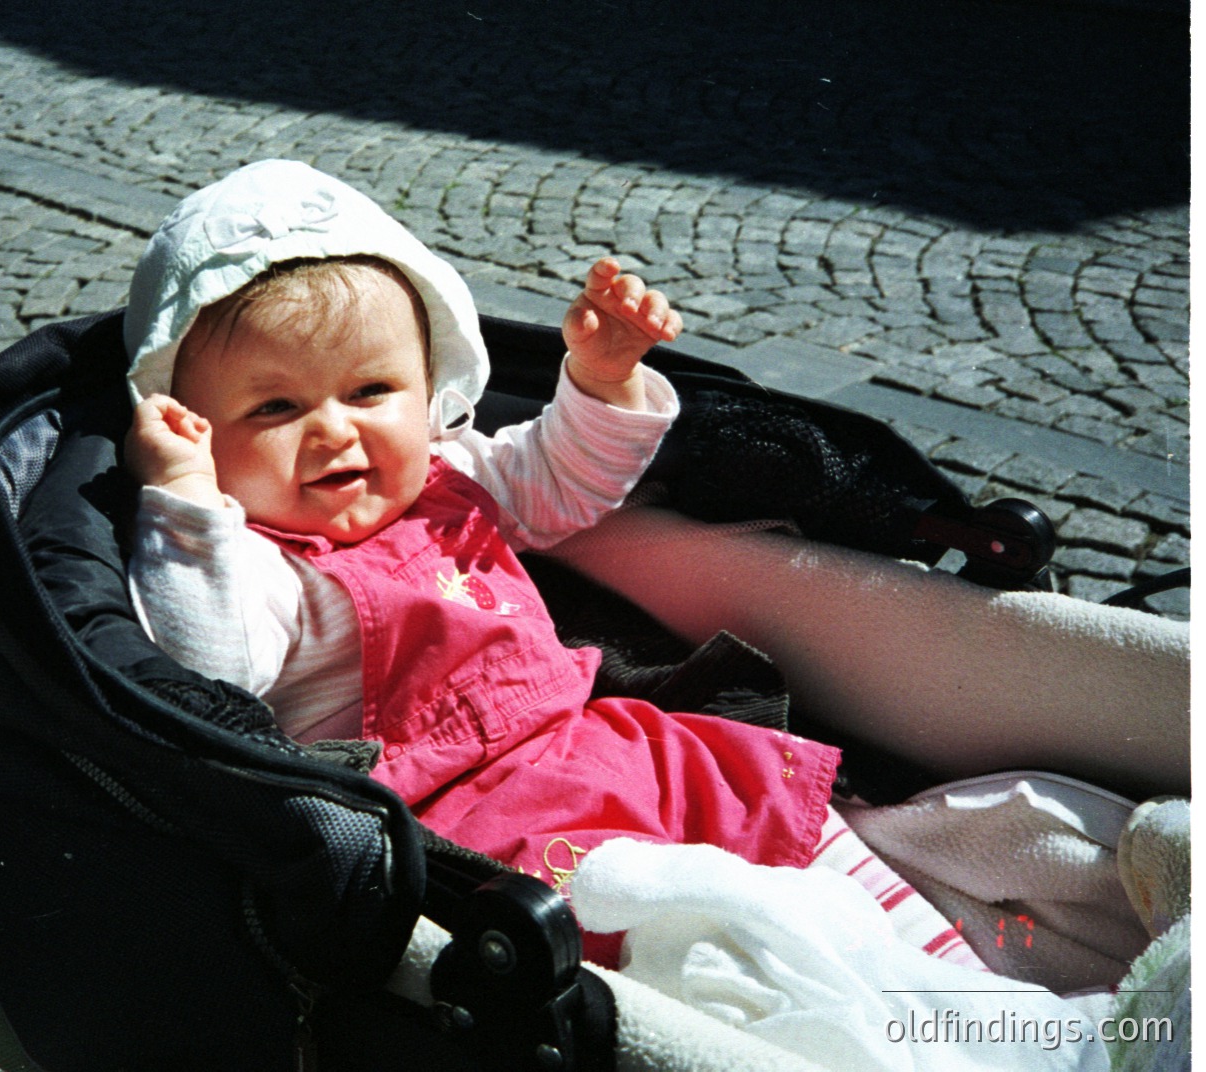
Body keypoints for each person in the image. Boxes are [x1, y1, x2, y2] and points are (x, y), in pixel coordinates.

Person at [119, 159, 980, 969]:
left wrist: (601, 381)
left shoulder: (455, 475)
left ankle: (971, 988)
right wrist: (186, 504)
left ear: (429, 390)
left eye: (372, 392)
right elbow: (205, 671)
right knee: (699, 942)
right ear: (193, 424)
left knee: (780, 820)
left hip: (606, 749)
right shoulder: (268, 572)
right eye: (276, 406)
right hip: (476, 820)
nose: (337, 430)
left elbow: (568, 480)